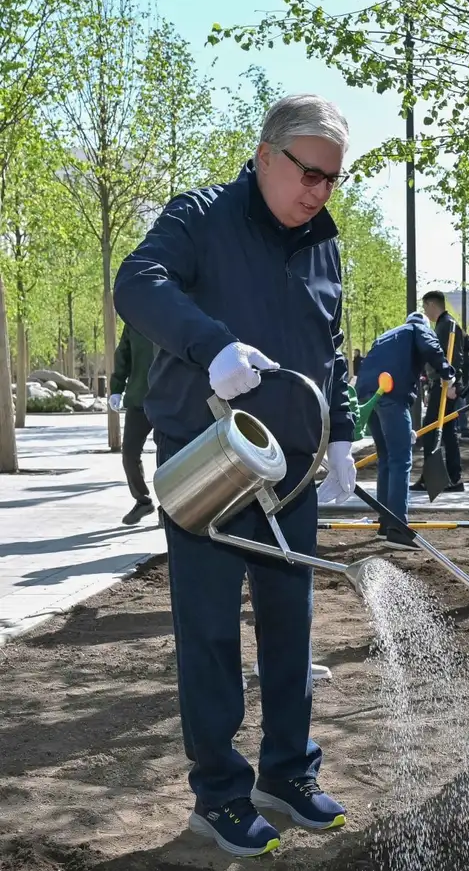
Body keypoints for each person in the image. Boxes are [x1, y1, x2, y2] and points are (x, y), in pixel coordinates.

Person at [114, 94, 355, 858]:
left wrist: (342, 434)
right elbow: (137, 281)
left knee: (292, 626)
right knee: (211, 633)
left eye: (332, 179)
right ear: (264, 155)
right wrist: (211, 344)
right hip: (208, 459)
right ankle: (218, 791)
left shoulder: (324, 245)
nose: (318, 190)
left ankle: (287, 771)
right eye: (308, 172)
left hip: (292, 473)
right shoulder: (200, 218)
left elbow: (333, 345)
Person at [356, 312, 455, 549]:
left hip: (367, 393)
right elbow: (431, 346)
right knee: (401, 461)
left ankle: (385, 522)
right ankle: (398, 527)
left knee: (387, 460)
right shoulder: (417, 328)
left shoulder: (386, 336)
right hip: (391, 393)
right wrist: (447, 373)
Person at [410, 290, 464, 492]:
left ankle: (437, 478)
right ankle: (452, 477)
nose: (426, 312)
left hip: (444, 387)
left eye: (425, 307)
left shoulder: (446, 326)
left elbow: (453, 357)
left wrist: (452, 385)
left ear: (432, 305)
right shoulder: (444, 325)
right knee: (446, 432)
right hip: (442, 386)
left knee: (432, 430)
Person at [108, 323, 157, 525]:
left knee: (170, 456)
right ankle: (142, 500)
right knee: (129, 453)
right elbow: (123, 354)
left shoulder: (175, 311)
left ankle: (171, 507)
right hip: (138, 398)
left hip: (171, 399)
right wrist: (117, 388)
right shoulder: (135, 320)